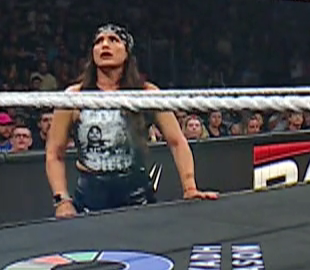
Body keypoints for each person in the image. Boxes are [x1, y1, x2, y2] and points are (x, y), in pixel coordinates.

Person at [45, 25, 218, 217]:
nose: (105, 45)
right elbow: (54, 152)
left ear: (127, 52)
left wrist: (190, 186)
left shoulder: (145, 93)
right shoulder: (75, 96)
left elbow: (177, 141)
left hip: (137, 195)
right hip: (90, 197)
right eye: (99, 41)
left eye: (113, 40)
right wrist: (62, 200)